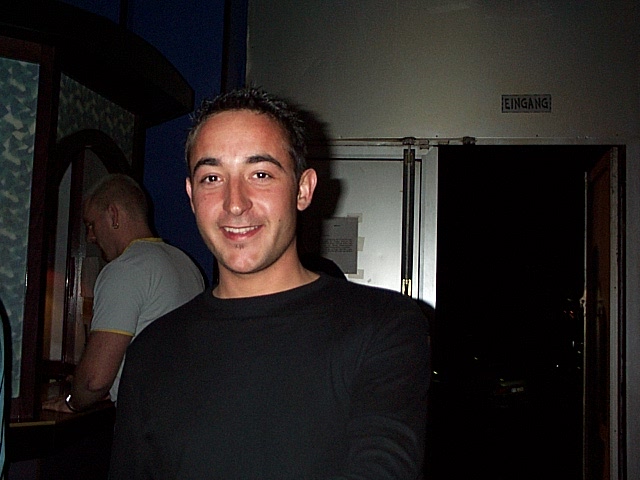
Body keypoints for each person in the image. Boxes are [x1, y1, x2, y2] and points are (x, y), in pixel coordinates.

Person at [109, 88, 430, 479]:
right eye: (212, 178)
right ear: (191, 196)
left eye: (260, 174)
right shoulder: (151, 352)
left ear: (302, 189)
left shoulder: (383, 326)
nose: (235, 203)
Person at [43, 173, 205, 413]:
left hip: (148, 420)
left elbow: (94, 380)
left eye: (91, 225)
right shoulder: (186, 264)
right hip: (188, 413)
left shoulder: (125, 269)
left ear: (113, 215)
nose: (90, 237)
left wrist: (72, 402)